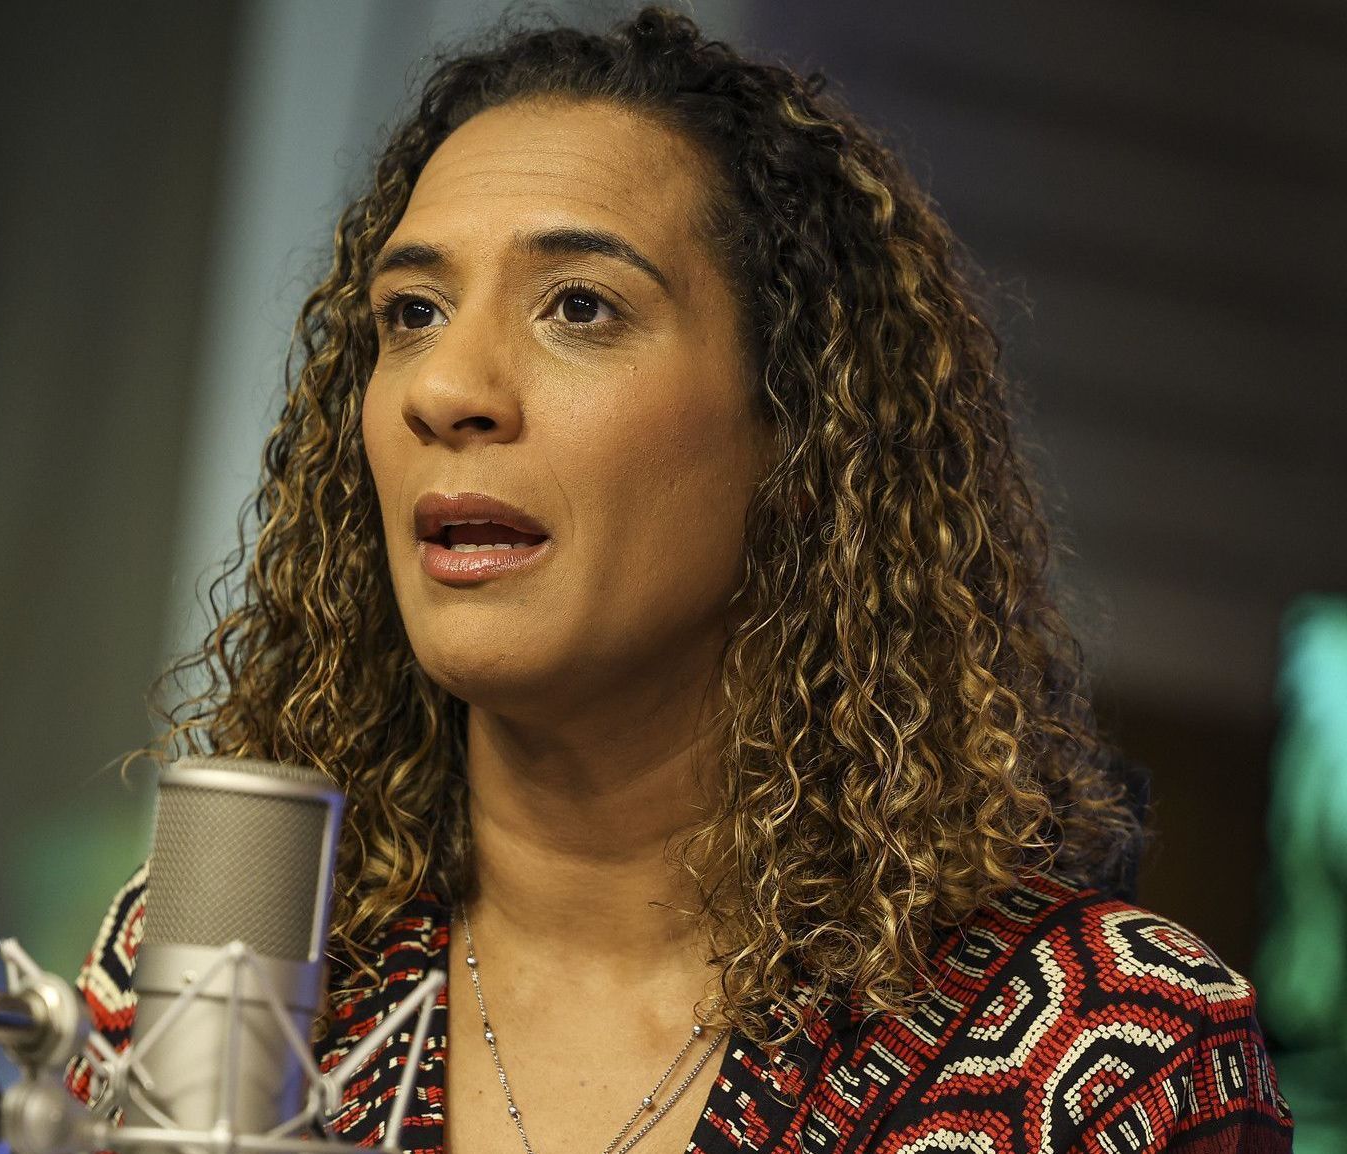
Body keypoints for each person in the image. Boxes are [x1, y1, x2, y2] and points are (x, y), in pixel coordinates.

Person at [67, 8, 1292, 1153]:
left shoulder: (1106, 1053)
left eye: (579, 306)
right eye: (412, 312)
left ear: (799, 432)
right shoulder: (220, 953)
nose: (444, 388)